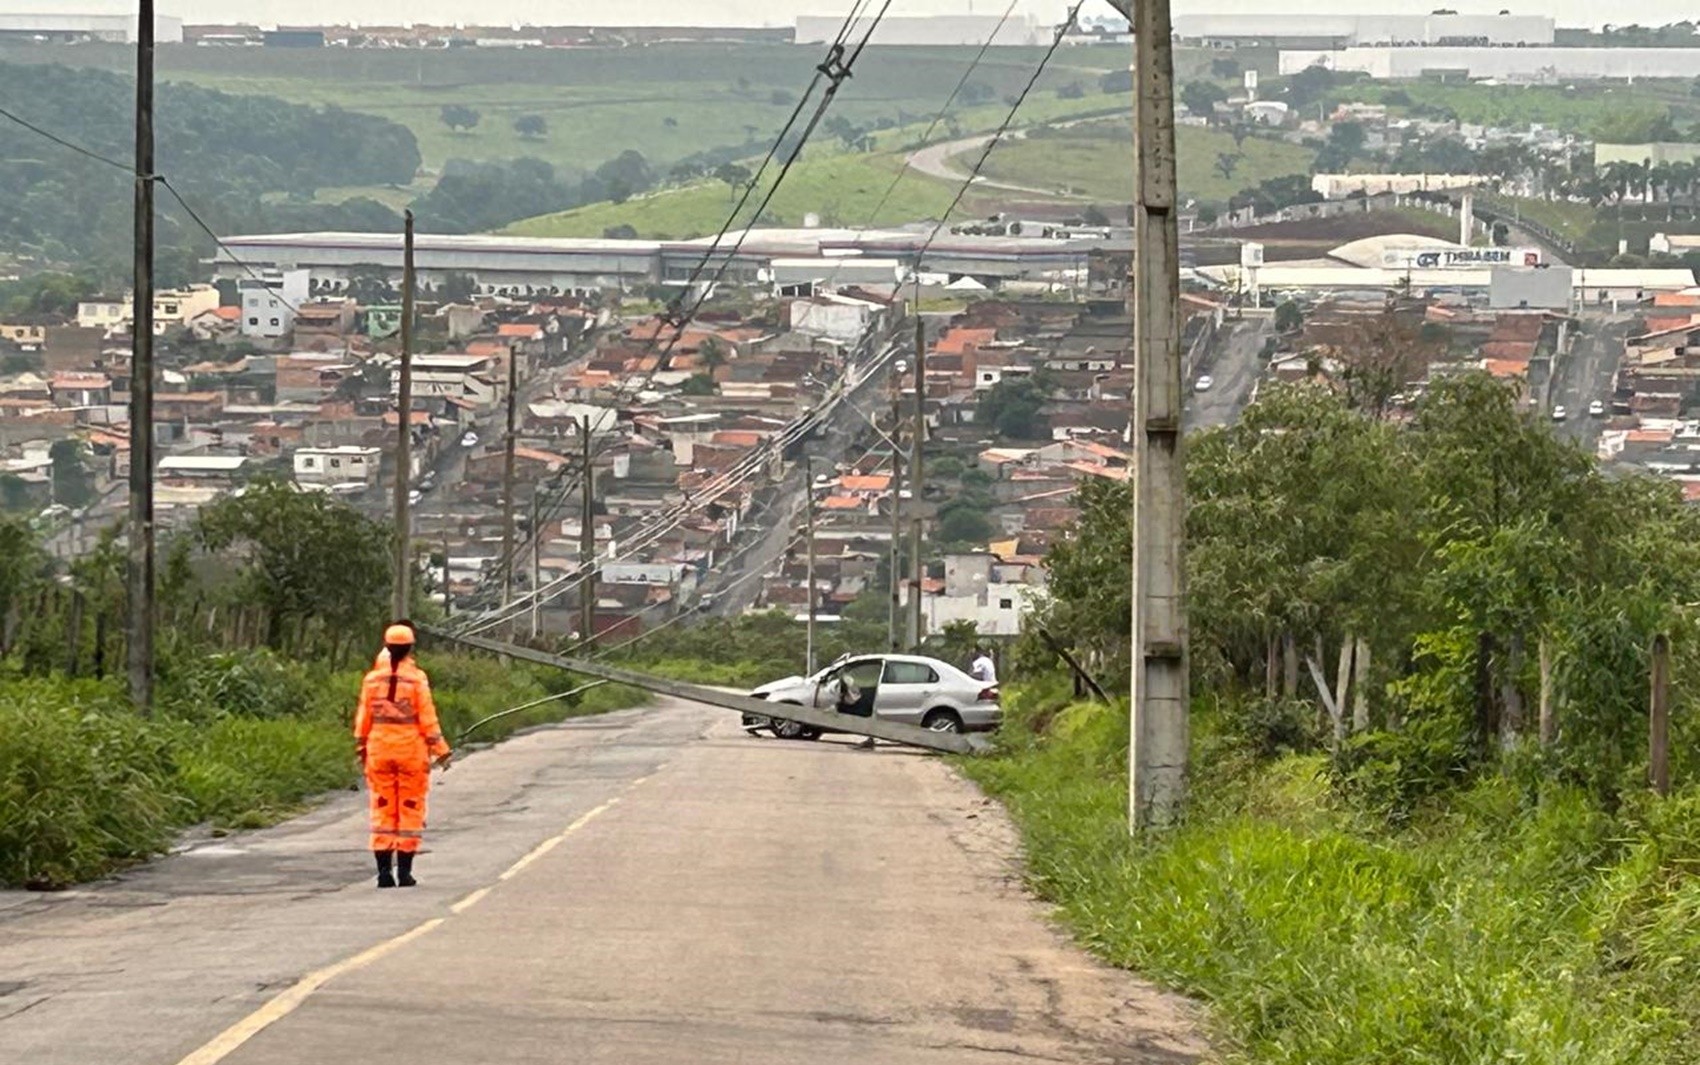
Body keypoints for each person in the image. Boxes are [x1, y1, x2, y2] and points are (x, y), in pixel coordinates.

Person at [355, 623, 452, 888]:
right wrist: (441, 750)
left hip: (379, 752)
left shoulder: (371, 680)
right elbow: (427, 718)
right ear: (410, 648)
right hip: (411, 753)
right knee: (409, 809)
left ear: (386, 647)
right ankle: (405, 873)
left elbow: (363, 717)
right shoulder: (417, 679)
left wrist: (361, 746)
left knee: (383, 807)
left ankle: (384, 873)